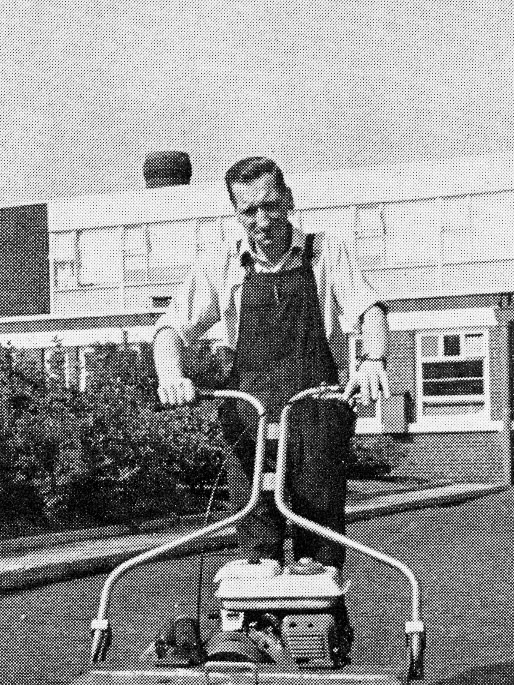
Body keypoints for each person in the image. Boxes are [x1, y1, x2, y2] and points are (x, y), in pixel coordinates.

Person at [153, 156, 389, 574]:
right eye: (249, 212)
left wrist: (372, 360)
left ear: (288, 201)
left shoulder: (325, 252)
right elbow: (169, 330)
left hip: (314, 413)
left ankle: (319, 633)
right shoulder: (221, 263)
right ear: (236, 214)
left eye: (271, 206)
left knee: (317, 555)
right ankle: (254, 636)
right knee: (258, 554)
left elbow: (369, 310)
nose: (262, 221)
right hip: (250, 418)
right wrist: (171, 373)